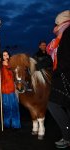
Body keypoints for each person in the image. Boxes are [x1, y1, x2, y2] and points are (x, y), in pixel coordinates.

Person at [46, 10, 70, 149]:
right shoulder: (61, 36)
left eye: (56, 23)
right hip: (62, 73)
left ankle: (67, 136)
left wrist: (58, 70)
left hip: (64, 74)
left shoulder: (66, 34)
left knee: (53, 104)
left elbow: (64, 57)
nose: (55, 26)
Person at [0, 50, 21, 129]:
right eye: (4, 55)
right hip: (4, 90)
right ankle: (6, 124)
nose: (6, 56)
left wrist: (8, 66)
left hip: (12, 90)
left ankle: (15, 124)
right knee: (6, 107)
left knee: (14, 107)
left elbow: (14, 74)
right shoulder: (0, 66)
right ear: (2, 57)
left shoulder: (12, 64)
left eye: (7, 55)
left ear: (9, 56)